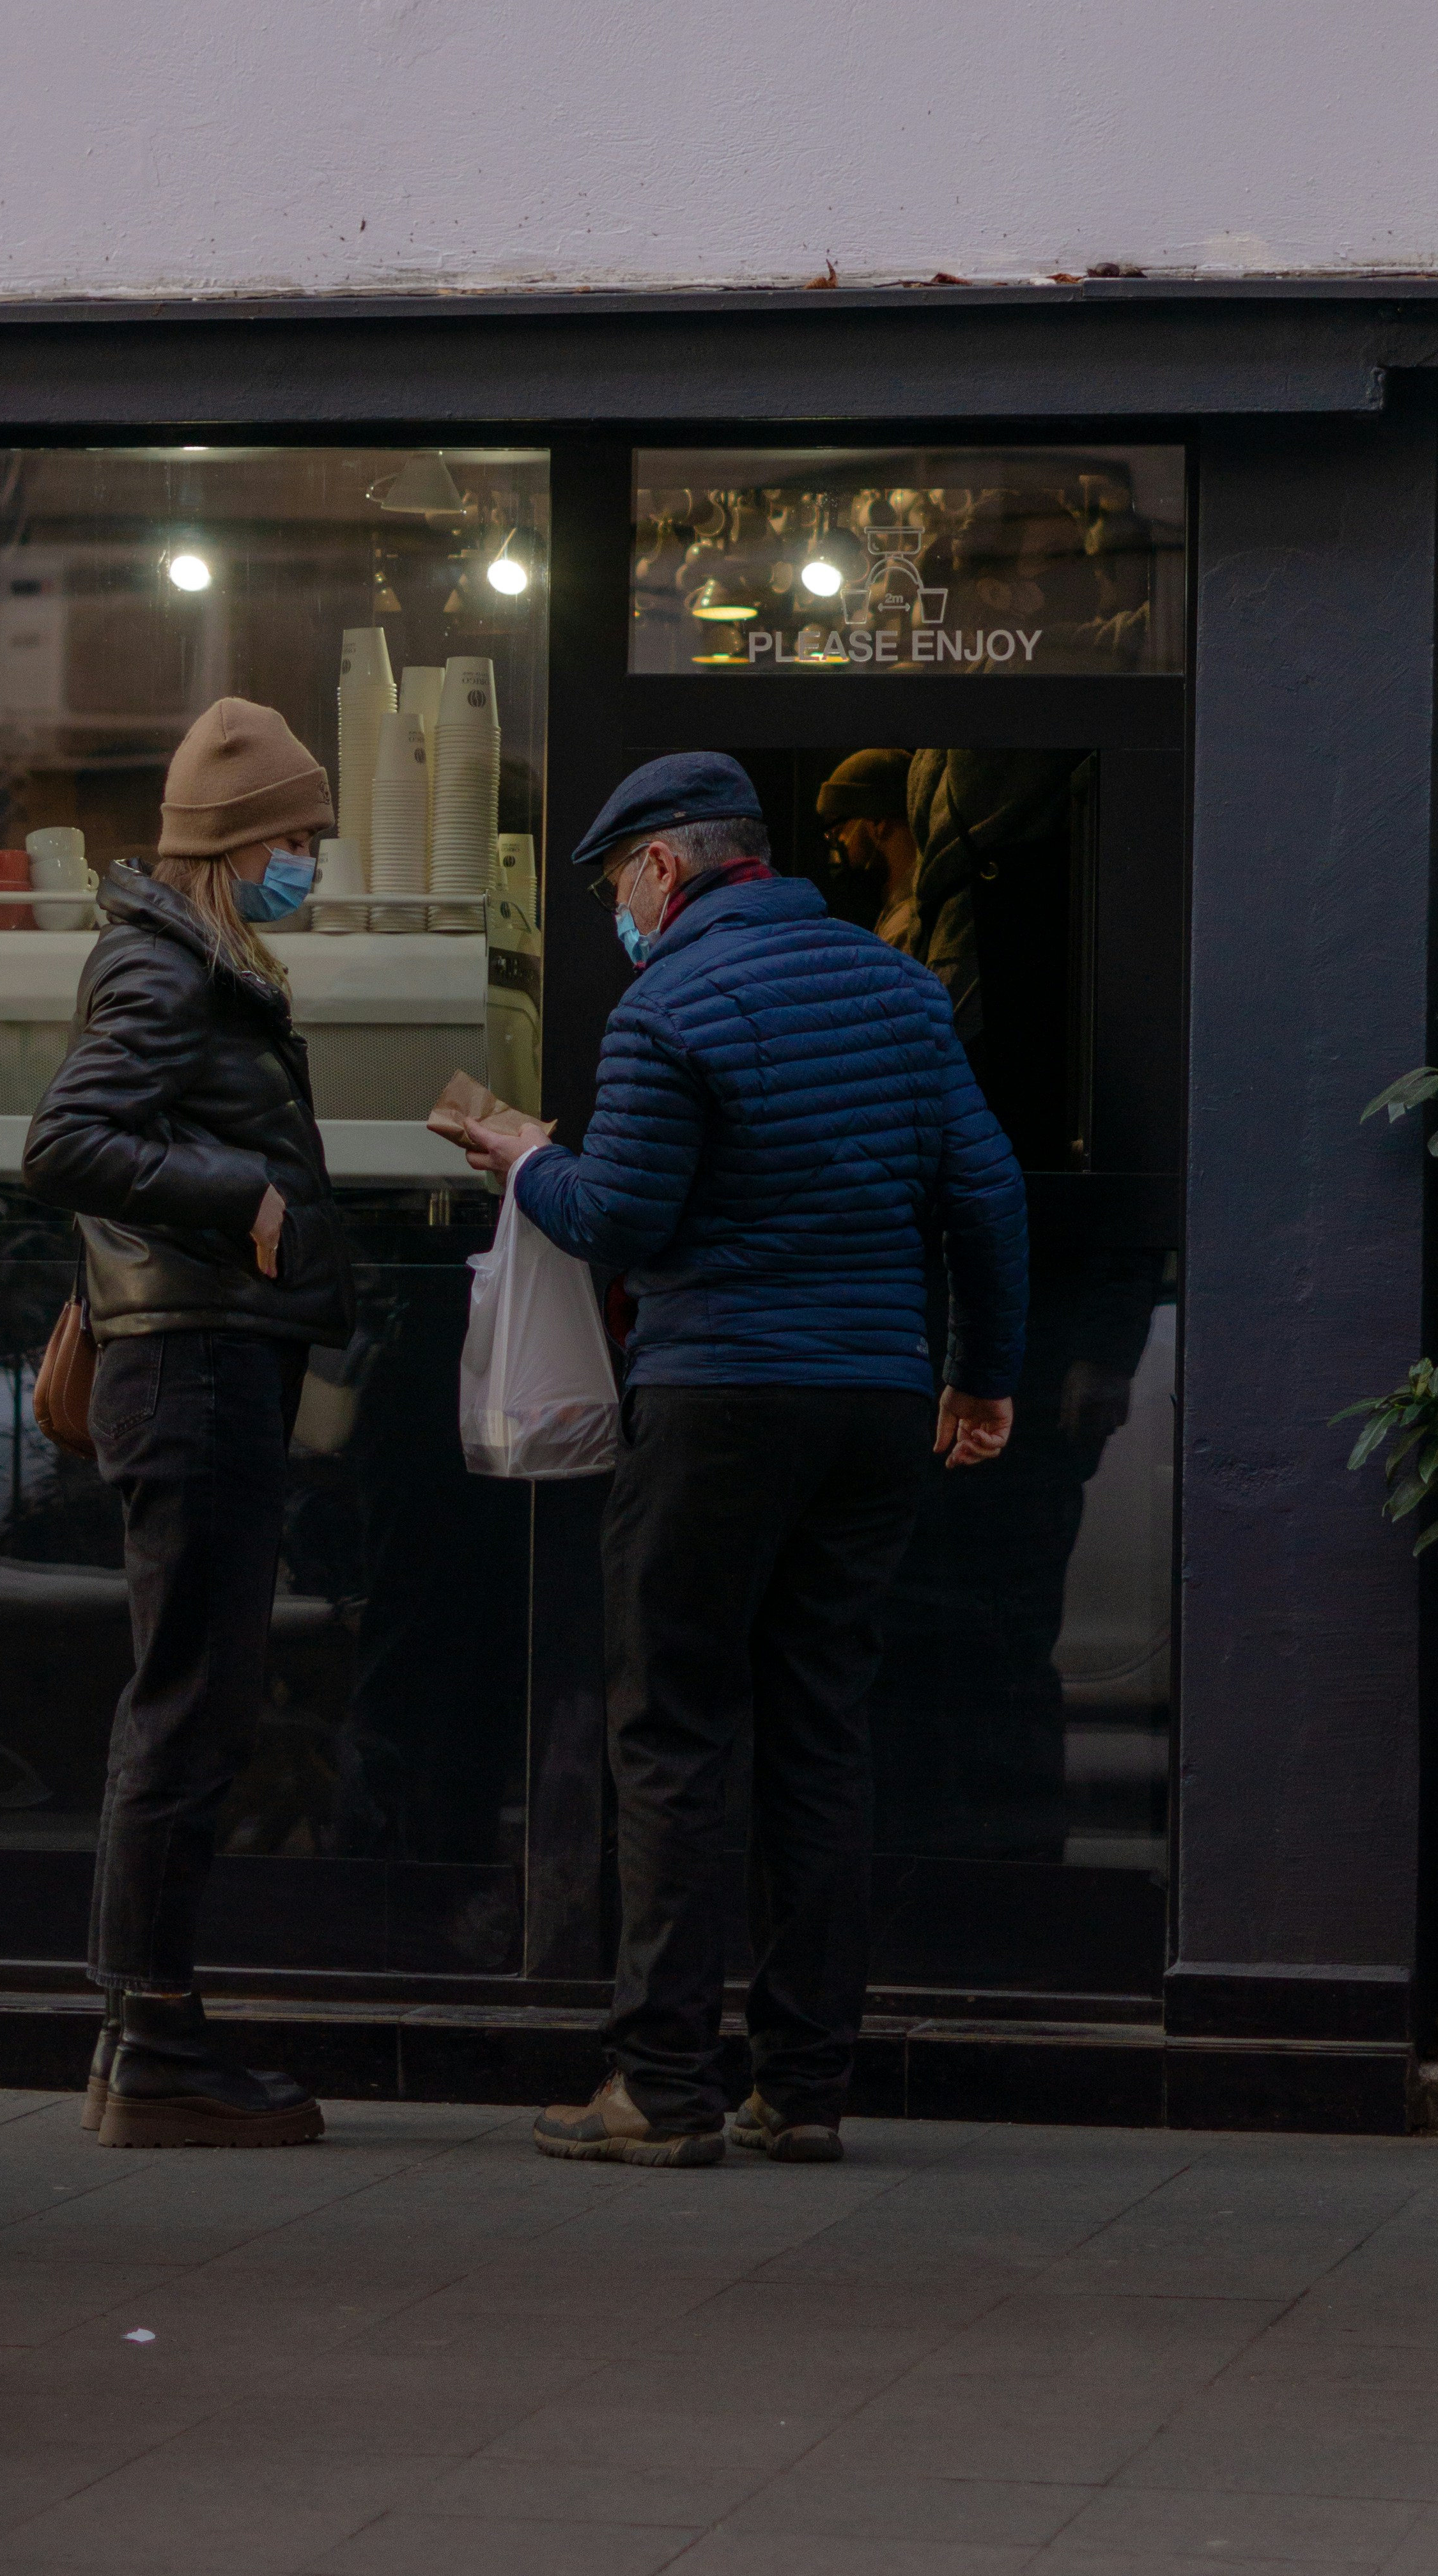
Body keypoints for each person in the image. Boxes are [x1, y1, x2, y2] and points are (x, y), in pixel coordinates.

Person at [452, 747, 1027, 2169]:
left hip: (715, 1402)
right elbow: (988, 1191)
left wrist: (522, 1156)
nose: (615, 915)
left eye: (612, 887)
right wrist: (981, 1377)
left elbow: (625, 1216)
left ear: (663, 866)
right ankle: (805, 2084)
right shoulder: (899, 987)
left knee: (675, 1731)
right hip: (871, 1400)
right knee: (821, 1728)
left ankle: (661, 2084)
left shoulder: (672, 1003)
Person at [22, 695, 353, 2148]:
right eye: (299, 836)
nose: (315, 862)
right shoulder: (160, 961)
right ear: (235, 843)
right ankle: (152, 2041)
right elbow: (67, 1139)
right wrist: (247, 1196)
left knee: (194, 1695)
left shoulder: (192, 958)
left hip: (206, 1356)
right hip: (189, 1363)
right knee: (189, 1699)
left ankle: (143, 2033)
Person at [815, 747, 918, 949]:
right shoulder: (899, 910)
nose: (836, 845)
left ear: (875, 823)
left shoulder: (907, 925)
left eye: (837, 831)